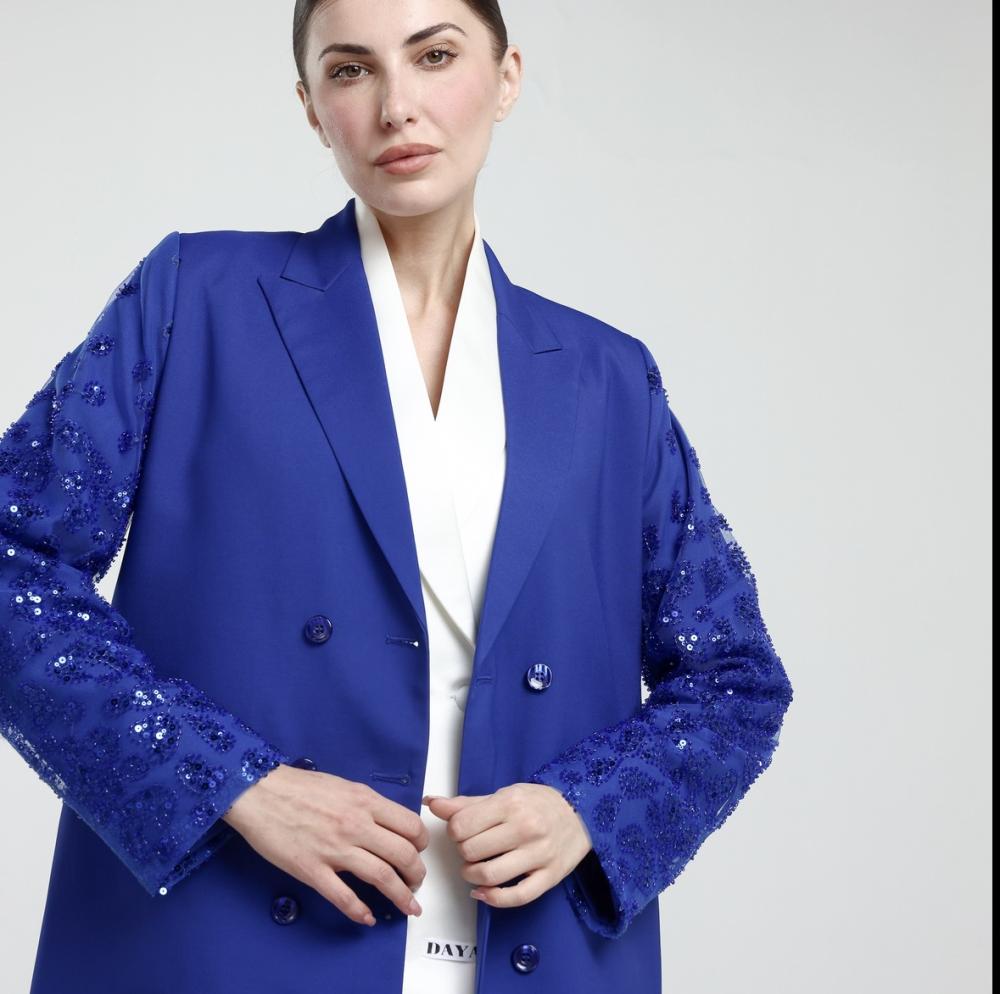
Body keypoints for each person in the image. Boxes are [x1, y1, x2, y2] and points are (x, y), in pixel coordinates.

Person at [0, 2, 794, 992]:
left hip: (526, 951)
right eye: (350, 69)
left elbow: (734, 679)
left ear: (506, 78)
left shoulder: (606, 377)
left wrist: (587, 808)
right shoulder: (196, 297)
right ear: (310, 106)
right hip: (227, 945)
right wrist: (231, 782)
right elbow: (11, 560)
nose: (396, 106)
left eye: (435, 56)